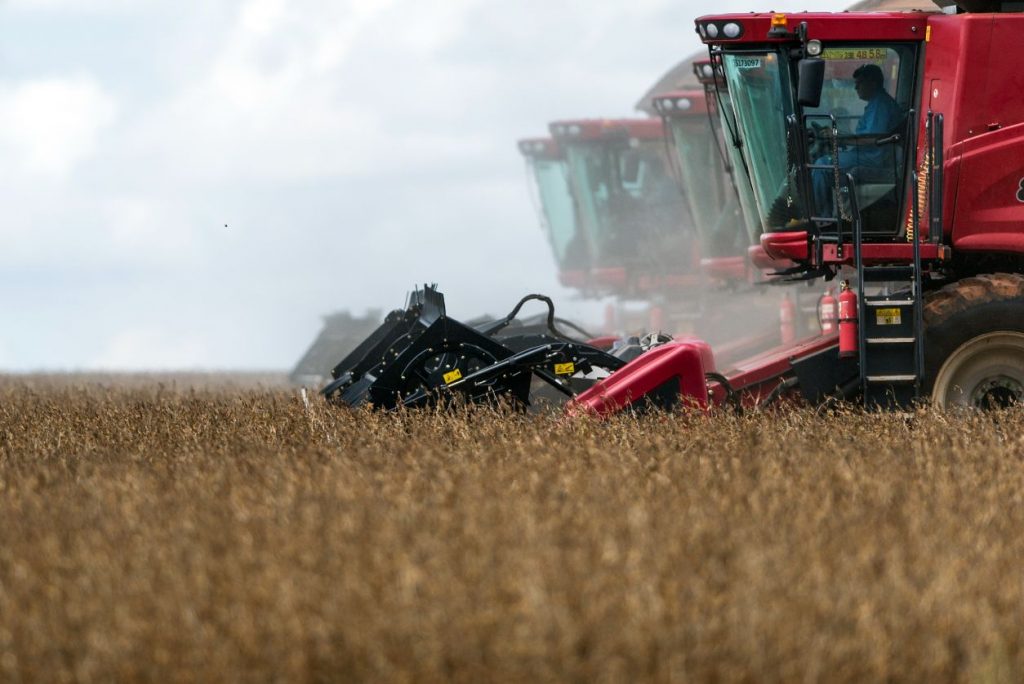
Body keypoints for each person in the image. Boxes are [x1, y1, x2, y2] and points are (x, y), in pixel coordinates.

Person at [812, 63, 902, 217]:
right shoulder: (877, 103)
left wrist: (839, 137)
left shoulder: (880, 105)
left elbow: (871, 139)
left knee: (822, 166)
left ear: (872, 83)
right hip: (866, 155)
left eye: (859, 83)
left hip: (871, 158)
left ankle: (822, 219)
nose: (856, 88)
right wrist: (839, 138)